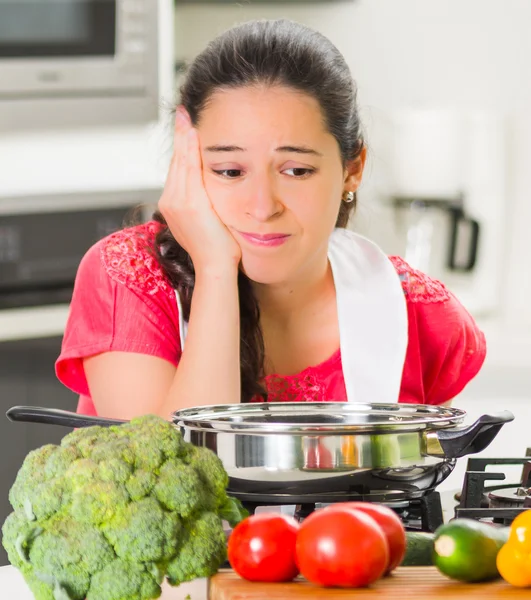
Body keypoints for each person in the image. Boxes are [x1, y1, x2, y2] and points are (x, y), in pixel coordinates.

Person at [55, 19, 486, 421]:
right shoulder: (127, 279)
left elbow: (410, 492)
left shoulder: (417, 317)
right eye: (229, 172)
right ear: (188, 165)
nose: (262, 207)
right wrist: (214, 269)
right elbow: (176, 484)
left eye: (296, 171)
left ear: (352, 169)